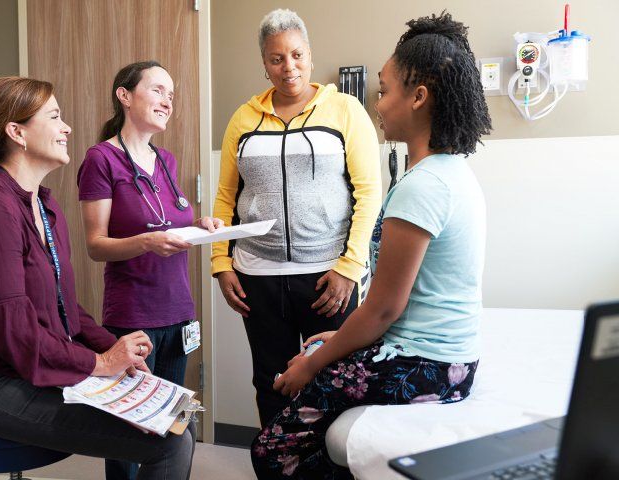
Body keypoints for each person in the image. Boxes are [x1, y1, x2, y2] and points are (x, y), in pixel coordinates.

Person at [251, 11, 492, 479]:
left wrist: (316, 362)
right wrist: (338, 341)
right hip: (445, 358)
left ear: (418, 97)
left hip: (427, 365)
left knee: (270, 450)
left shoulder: (423, 188)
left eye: (384, 91)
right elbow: (398, 309)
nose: (378, 105)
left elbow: (383, 309)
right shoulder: (452, 173)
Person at [0, 76, 194, 480]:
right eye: (55, 117)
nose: (67, 128)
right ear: (17, 132)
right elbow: (14, 333)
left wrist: (112, 349)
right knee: (170, 441)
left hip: (30, 367)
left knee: (178, 418)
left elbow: (63, 306)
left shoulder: (42, 205)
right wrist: (99, 361)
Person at [211, 9, 383, 427]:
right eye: (276, 58)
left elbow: (369, 192)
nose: (289, 67)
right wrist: (220, 262)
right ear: (264, 64)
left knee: (334, 381)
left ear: (309, 54)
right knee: (271, 382)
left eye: (297, 55)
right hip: (257, 276)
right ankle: (276, 467)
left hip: (328, 276)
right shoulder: (243, 118)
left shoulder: (344, 110)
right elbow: (226, 197)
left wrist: (350, 266)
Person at [77, 61, 221, 480]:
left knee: (169, 423)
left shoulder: (167, 161)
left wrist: (199, 226)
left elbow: (166, 223)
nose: (167, 101)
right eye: (158, 90)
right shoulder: (100, 159)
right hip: (133, 315)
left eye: (171, 95)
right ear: (125, 95)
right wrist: (146, 242)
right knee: (127, 424)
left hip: (178, 311)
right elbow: (95, 245)